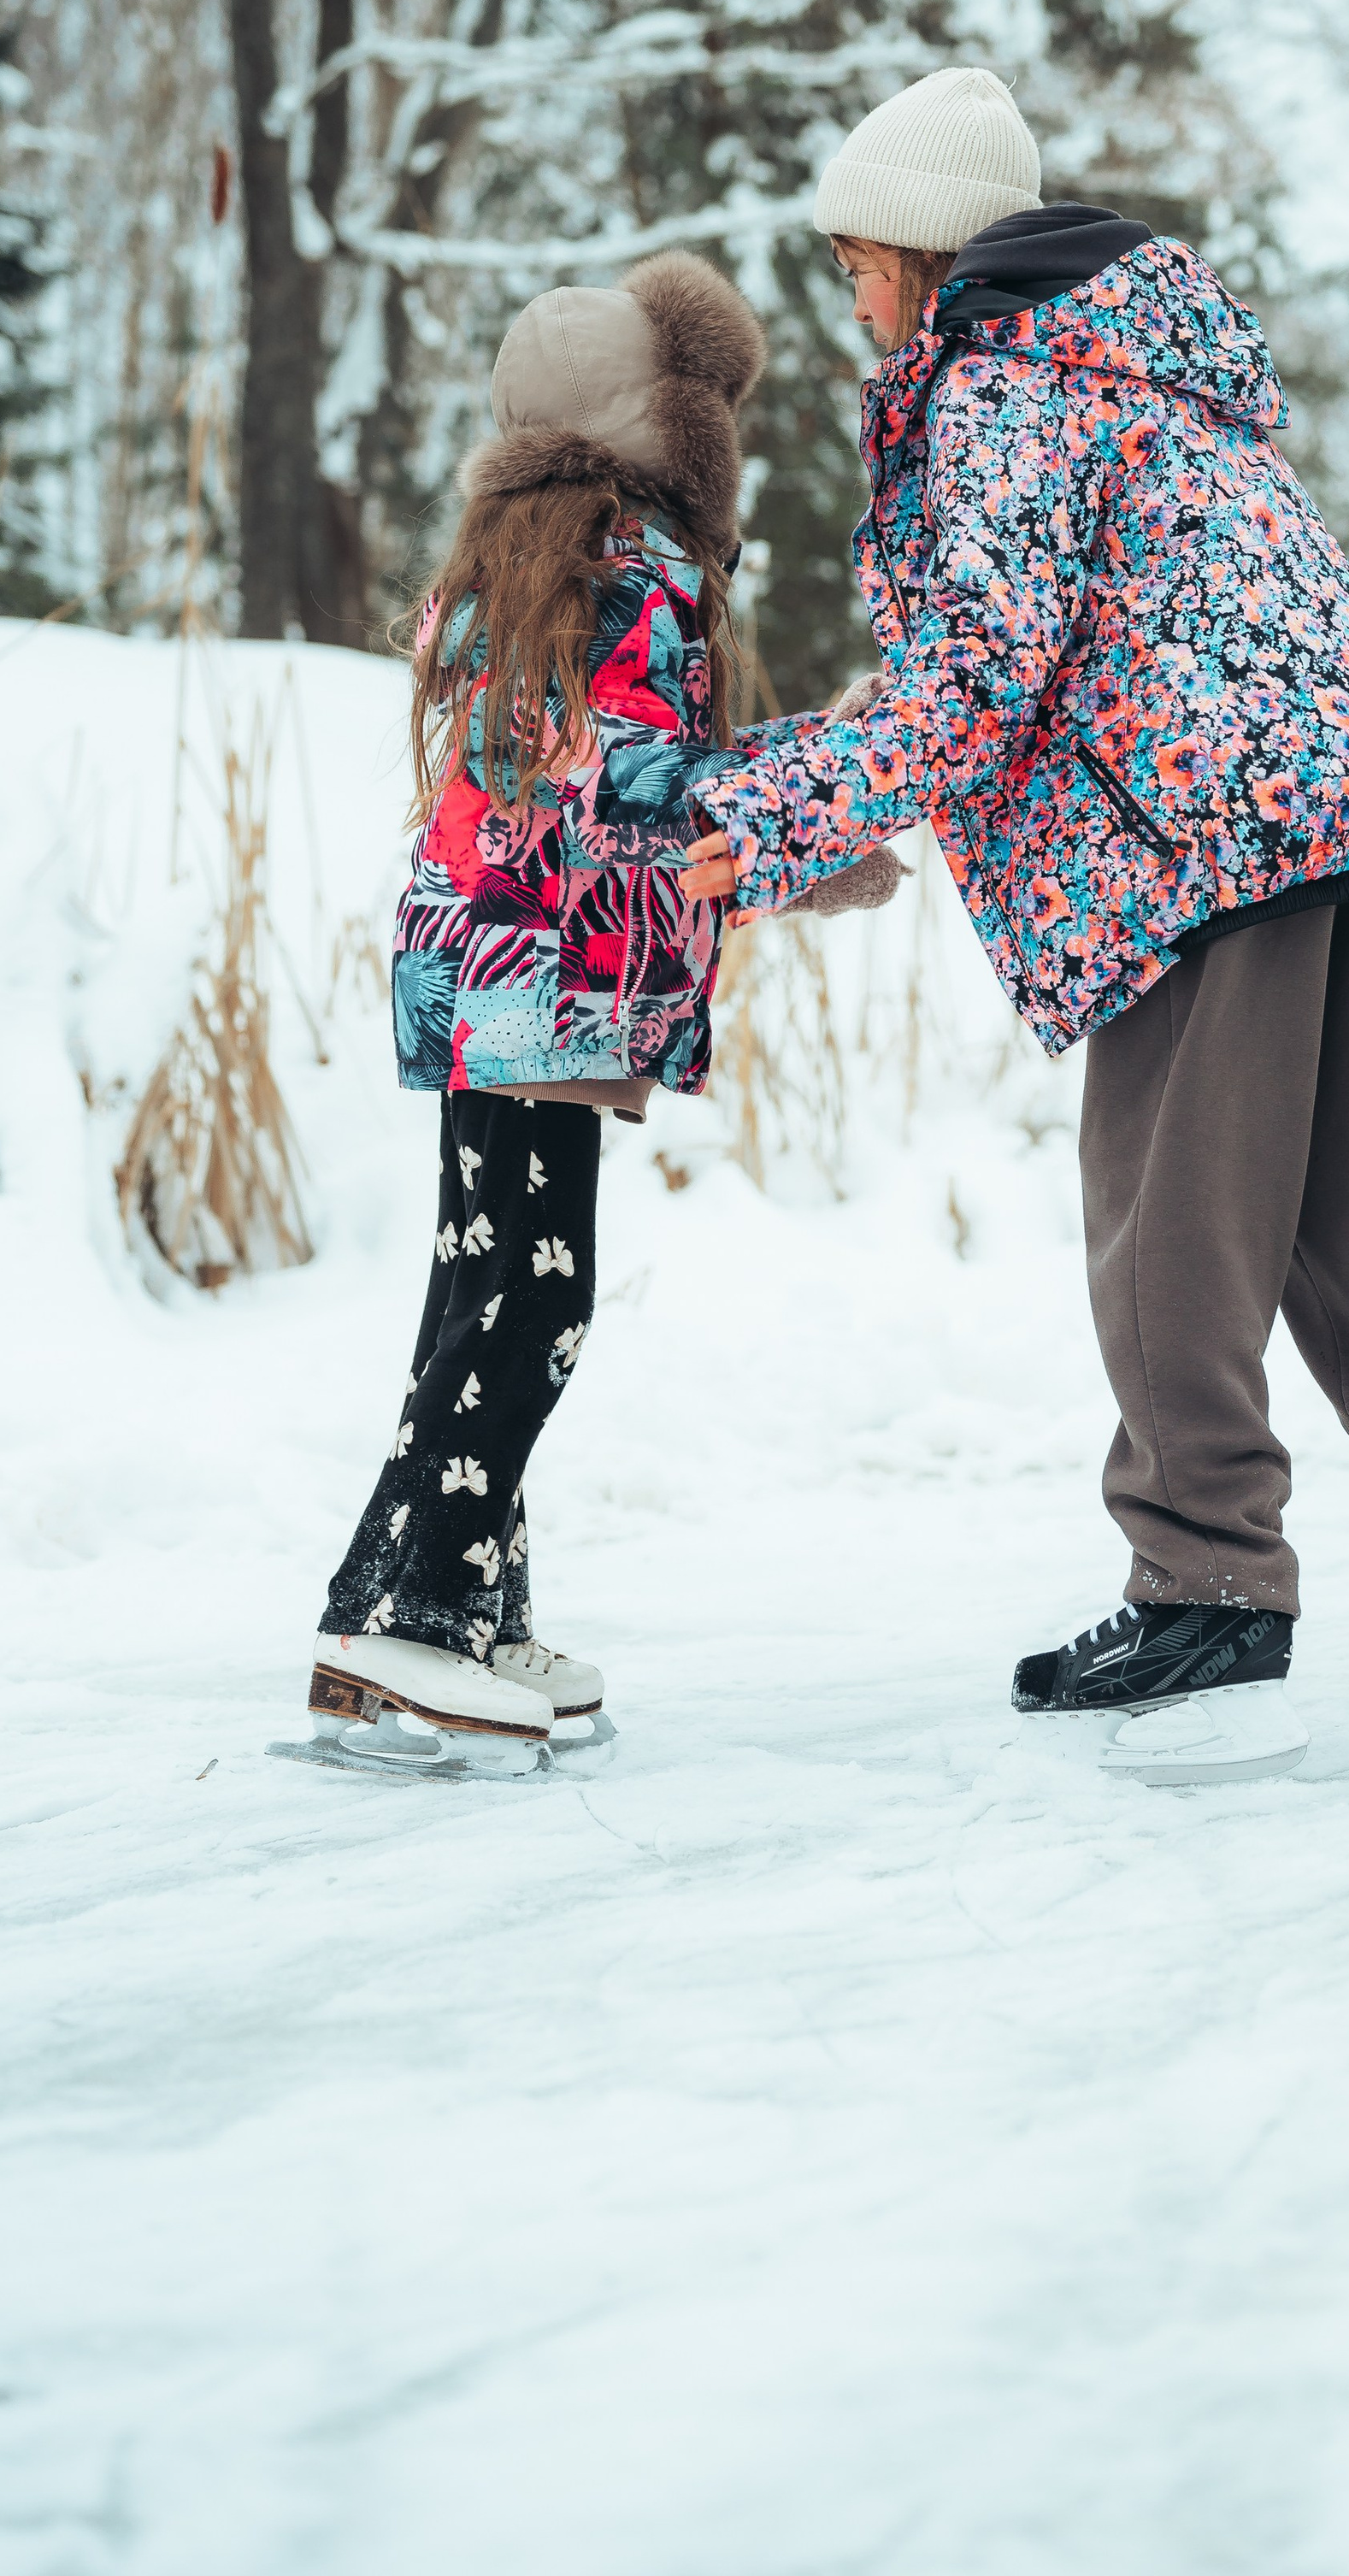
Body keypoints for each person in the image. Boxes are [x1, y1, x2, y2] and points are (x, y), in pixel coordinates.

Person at [680, 67, 1349, 1783]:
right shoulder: (1158, 371)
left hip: (1185, 845)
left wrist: (760, 814)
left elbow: (976, 675)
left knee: (1174, 1236)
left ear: (922, 253)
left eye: (858, 266)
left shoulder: (998, 380)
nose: (854, 305)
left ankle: (1207, 1602)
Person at [300, 250, 892, 1779]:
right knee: (535, 1302)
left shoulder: (523, 564)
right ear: (669, 431)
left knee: (477, 1288)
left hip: (480, 967)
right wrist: (804, 816)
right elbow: (624, 788)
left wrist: (772, 810)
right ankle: (424, 1614)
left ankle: (419, 1598)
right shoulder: (632, 571)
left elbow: (574, 773)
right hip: (551, 977)